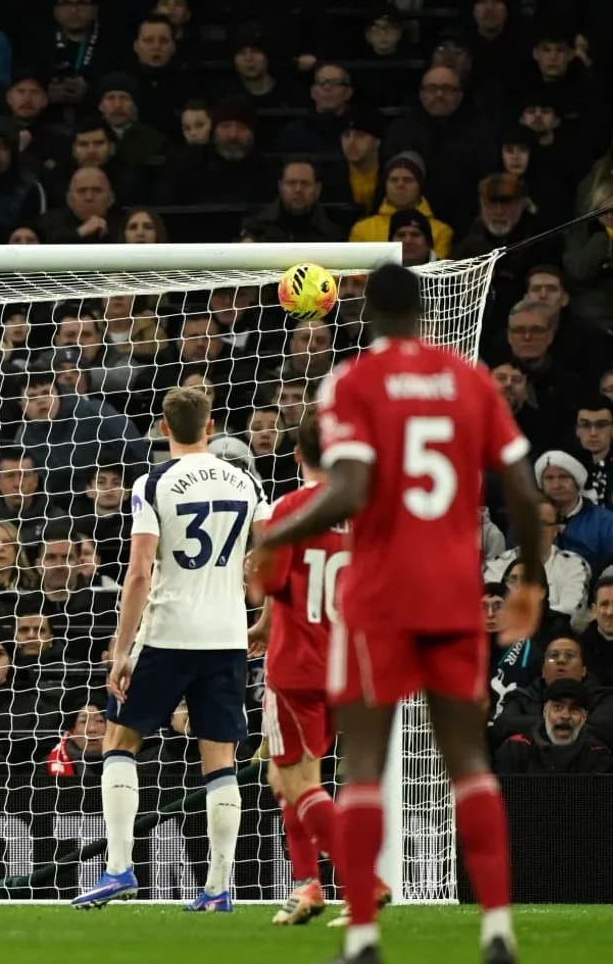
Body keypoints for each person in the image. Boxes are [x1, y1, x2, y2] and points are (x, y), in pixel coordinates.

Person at [252, 263, 546, 964]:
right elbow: (525, 493)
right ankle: (499, 930)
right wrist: (529, 579)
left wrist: (277, 535)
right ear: (423, 309)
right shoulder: (470, 381)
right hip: (450, 592)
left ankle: (361, 935)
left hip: (380, 602)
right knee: (468, 761)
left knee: (358, 770)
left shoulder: (351, 383)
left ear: (368, 313)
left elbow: (348, 486)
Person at [74, 386, 261, 913]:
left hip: (168, 633)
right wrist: (265, 617)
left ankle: (117, 870)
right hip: (227, 637)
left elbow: (137, 574)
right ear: (211, 425)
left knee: (119, 741)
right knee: (219, 759)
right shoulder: (245, 481)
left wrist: (121, 648)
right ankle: (219, 887)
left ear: (162, 427)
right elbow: (268, 556)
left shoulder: (154, 481)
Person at [247, 413, 372, 926]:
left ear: (297, 455)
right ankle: (308, 887)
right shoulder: (366, 510)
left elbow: (275, 582)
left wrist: (262, 624)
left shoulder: (289, 510)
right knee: (297, 778)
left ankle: (359, 884)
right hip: (352, 668)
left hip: (298, 665)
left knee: (293, 780)